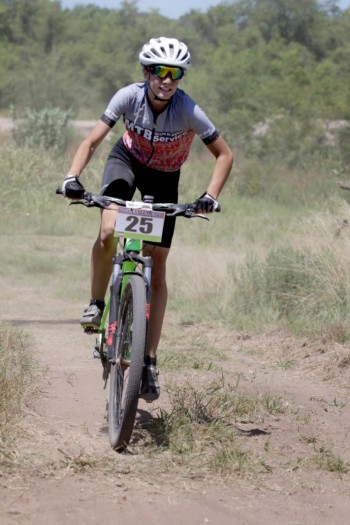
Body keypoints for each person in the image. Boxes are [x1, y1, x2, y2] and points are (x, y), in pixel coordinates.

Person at [62, 36, 233, 402]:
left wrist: (209, 197)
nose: (167, 80)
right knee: (108, 229)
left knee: (158, 263)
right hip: (126, 163)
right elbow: (92, 140)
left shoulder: (189, 110)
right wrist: (72, 177)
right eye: (159, 72)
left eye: (175, 73)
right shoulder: (127, 96)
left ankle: (150, 360)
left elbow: (225, 155)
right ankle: (96, 302)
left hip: (165, 177)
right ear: (146, 73)